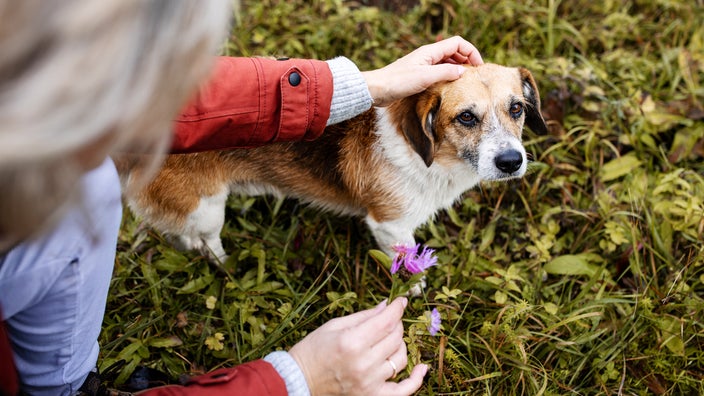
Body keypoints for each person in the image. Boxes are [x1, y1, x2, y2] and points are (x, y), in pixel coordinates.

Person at [0, 1, 483, 395]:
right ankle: (207, 253)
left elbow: (180, 100)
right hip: (194, 176)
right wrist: (297, 379)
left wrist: (365, 84)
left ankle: (61, 384)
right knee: (187, 219)